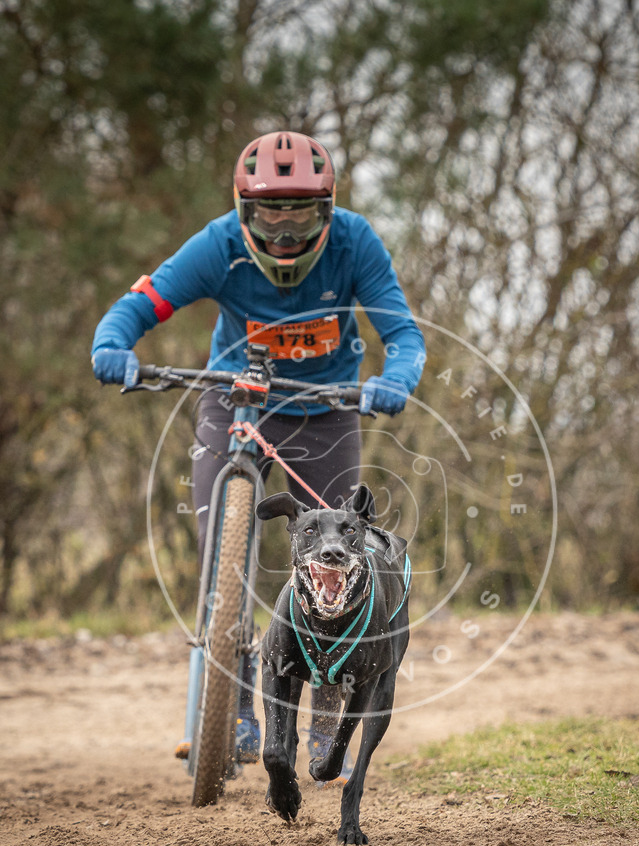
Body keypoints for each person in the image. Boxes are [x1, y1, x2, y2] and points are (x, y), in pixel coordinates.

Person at [91, 130, 425, 775]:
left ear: (328, 209)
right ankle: (235, 704)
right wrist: (113, 344)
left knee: (338, 560)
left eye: (301, 211)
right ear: (243, 211)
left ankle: (325, 713)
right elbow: (142, 303)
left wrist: (395, 379)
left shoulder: (356, 242)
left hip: (327, 408)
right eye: (269, 213)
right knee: (220, 547)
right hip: (234, 401)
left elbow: (403, 334)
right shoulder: (217, 245)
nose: (284, 232)